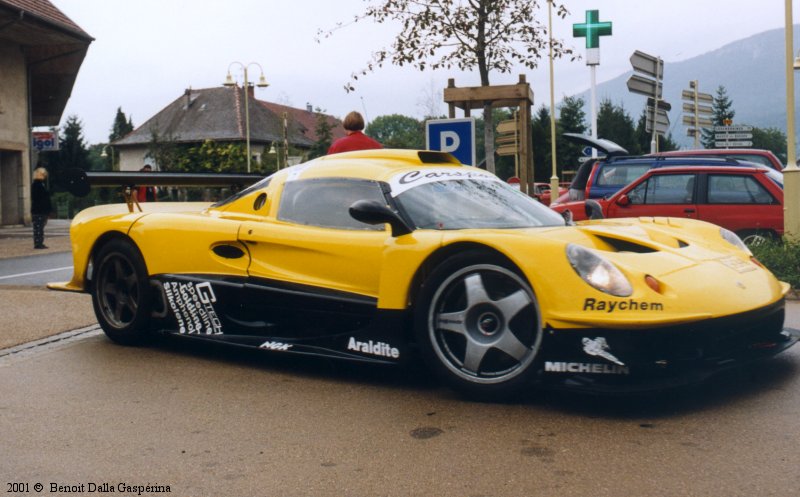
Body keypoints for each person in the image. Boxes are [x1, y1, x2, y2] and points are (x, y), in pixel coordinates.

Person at [30, 167, 52, 250]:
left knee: (40, 227)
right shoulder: (37, 185)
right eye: (43, 175)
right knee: (38, 227)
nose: (45, 176)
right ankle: (38, 243)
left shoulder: (40, 184)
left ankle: (39, 242)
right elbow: (38, 198)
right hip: (39, 210)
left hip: (41, 210)